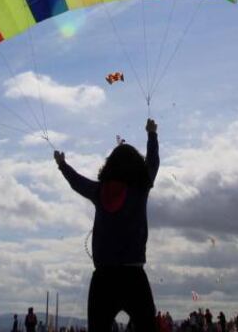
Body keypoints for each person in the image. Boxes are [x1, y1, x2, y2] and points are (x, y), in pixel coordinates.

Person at [55, 118, 160, 332]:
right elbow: (152, 163)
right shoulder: (140, 189)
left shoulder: (99, 191)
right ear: (136, 167)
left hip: (103, 279)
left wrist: (62, 165)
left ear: (109, 166)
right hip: (134, 276)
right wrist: (151, 134)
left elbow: (77, 182)